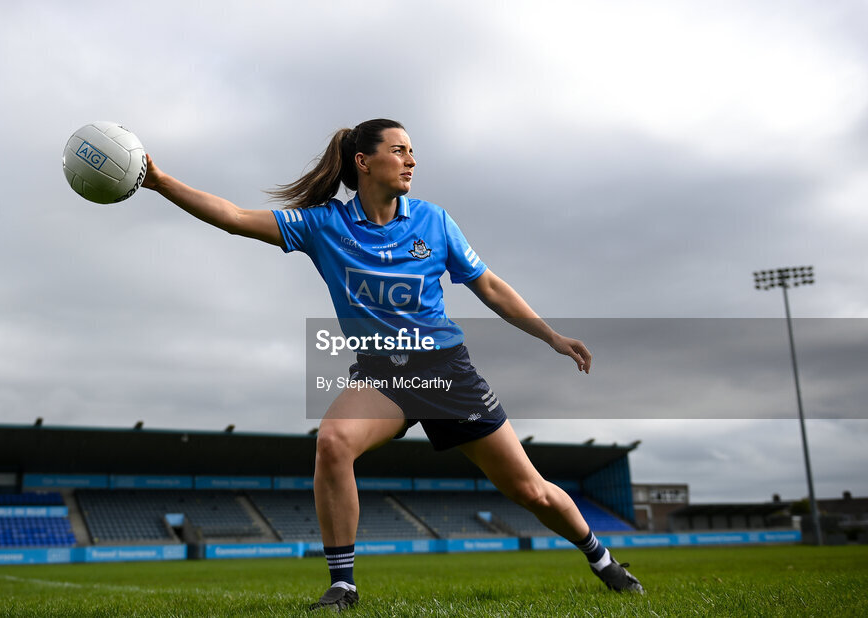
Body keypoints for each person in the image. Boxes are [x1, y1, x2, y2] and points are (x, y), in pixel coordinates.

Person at [141, 118, 643, 611]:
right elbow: (232, 215)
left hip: (447, 373)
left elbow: (487, 285)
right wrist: (160, 181)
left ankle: (602, 561)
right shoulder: (323, 224)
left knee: (530, 490)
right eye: (400, 150)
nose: (412, 160)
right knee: (333, 442)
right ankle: (343, 586)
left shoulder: (434, 220)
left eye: (412, 151)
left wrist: (551, 335)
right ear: (364, 161)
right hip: (383, 376)